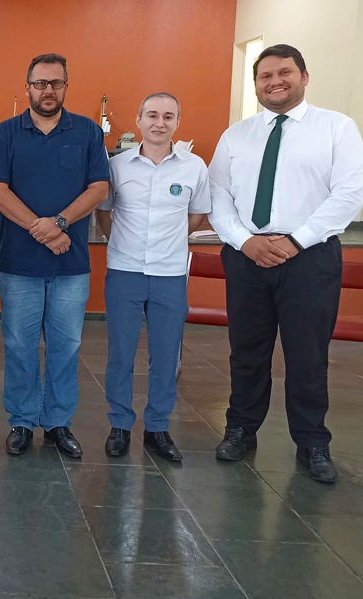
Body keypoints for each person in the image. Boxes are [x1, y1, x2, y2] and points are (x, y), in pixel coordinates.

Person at [208, 44, 363, 483]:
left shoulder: (336, 128)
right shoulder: (235, 135)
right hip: (247, 256)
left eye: (284, 73)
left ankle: (312, 442)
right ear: (256, 84)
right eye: (265, 76)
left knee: (308, 355)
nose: (275, 81)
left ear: (304, 77)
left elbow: (349, 194)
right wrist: (245, 241)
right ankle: (241, 429)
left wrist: (296, 241)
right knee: (246, 351)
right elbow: (217, 195)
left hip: (310, 258)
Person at [0, 53, 110, 458]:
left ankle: (58, 422)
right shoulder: (6, 133)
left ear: (66, 86)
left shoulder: (88, 132)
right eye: (40, 83)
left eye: (56, 83)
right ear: (27, 88)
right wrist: (42, 231)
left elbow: (98, 188)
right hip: (18, 264)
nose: (48, 90)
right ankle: (21, 421)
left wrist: (58, 223)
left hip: (70, 265)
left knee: (66, 346)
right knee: (19, 346)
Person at [95, 93, 211, 461]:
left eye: (168, 116)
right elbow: (104, 213)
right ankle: (119, 425)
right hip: (125, 272)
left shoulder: (194, 167)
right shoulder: (117, 166)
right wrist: (123, 243)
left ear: (178, 122)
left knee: (165, 356)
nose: (160, 123)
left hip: (169, 274)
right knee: (121, 353)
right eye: (152, 115)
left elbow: (196, 215)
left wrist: (168, 243)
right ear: (139, 119)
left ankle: (157, 428)